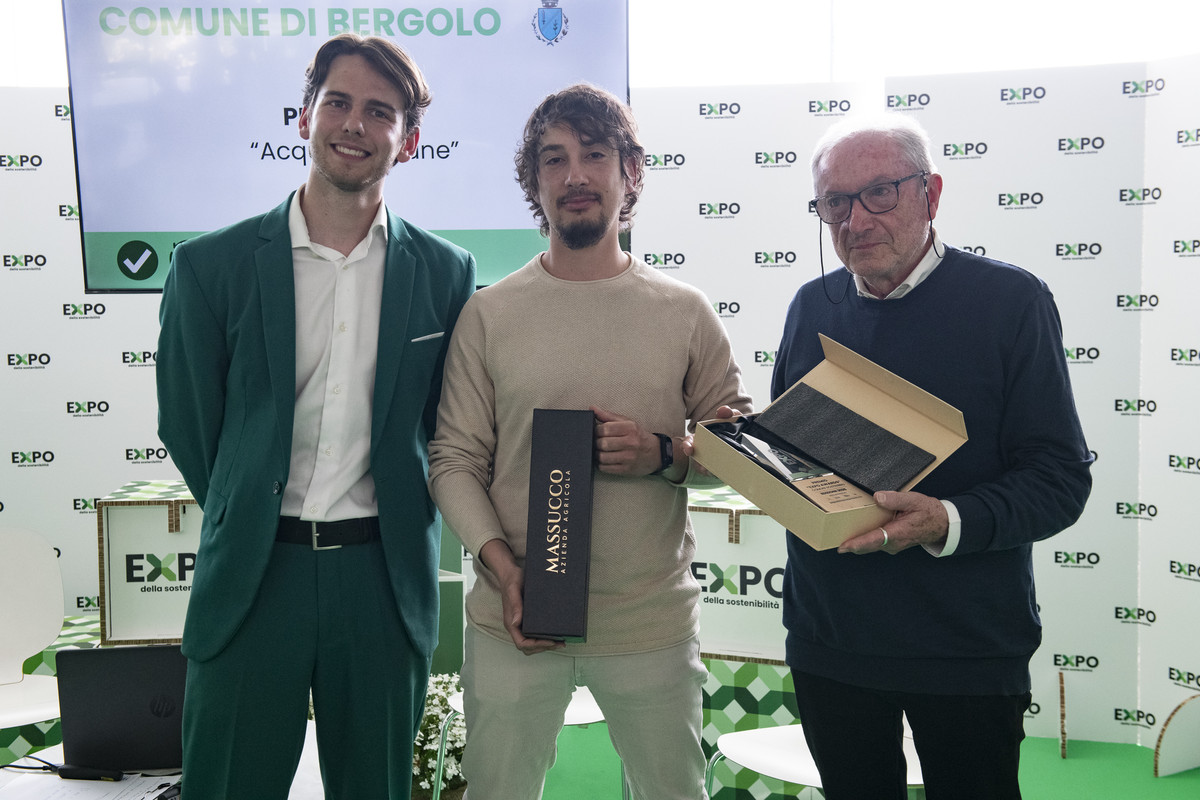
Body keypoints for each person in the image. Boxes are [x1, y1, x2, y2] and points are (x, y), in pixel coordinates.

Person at [155, 34, 475, 800]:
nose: (355, 124)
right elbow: (191, 425)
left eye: (380, 111)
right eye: (338, 102)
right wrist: (246, 507)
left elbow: (446, 429)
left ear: (409, 141)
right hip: (254, 577)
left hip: (381, 580)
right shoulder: (211, 266)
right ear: (304, 118)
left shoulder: (445, 272)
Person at [427, 83, 752, 800]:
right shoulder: (488, 314)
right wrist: (504, 569)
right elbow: (453, 460)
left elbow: (742, 454)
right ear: (534, 182)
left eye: (595, 154)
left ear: (630, 172)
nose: (574, 174)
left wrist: (664, 456)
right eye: (554, 158)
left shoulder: (685, 312)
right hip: (514, 618)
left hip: (649, 623)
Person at [768, 113, 1093, 799]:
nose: (856, 220)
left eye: (880, 192)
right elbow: (793, 459)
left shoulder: (1010, 302)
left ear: (931, 193)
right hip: (831, 636)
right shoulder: (811, 305)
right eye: (835, 202)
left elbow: (1059, 479)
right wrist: (747, 452)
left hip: (965, 645)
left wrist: (946, 520)